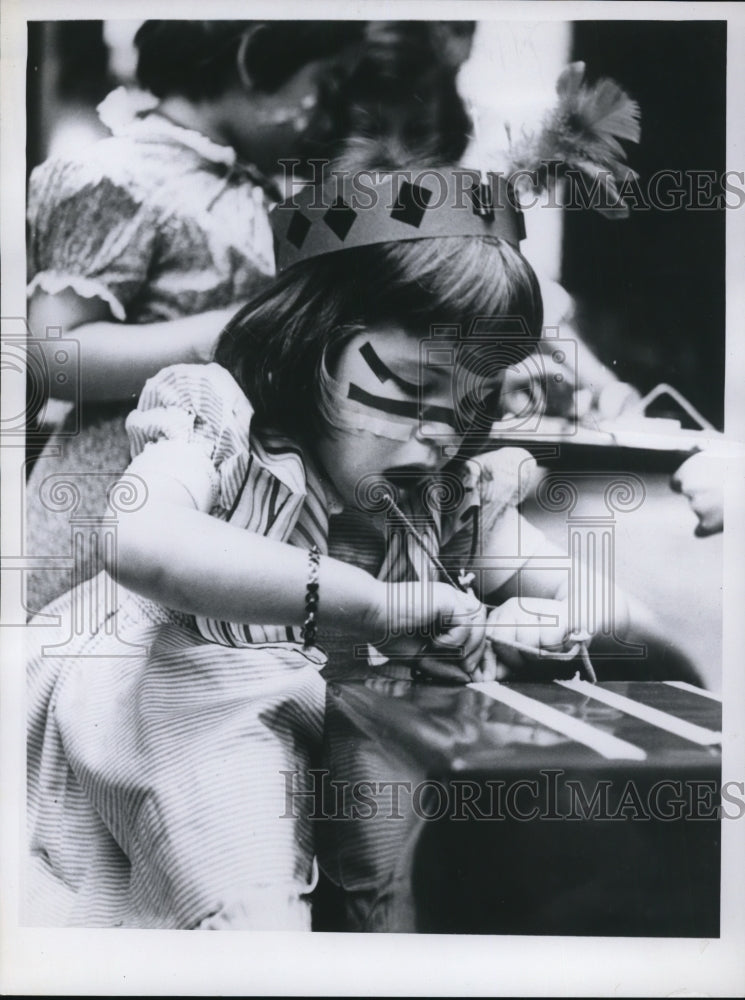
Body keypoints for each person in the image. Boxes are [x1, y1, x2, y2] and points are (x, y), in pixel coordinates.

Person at [26, 162, 648, 930]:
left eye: (469, 402)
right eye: (414, 387)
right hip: (178, 717)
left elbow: (607, 608)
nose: (439, 431)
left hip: (349, 752)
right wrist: (375, 602)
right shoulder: (218, 429)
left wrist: (547, 623)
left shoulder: (443, 494)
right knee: (246, 898)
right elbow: (141, 537)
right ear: (312, 341)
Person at [24, 19, 476, 616]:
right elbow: (55, 357)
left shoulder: (261, 193)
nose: (329, 112)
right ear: (254, 62)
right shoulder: (121, 175)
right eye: (323, 82)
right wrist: (234, 329)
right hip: (114, 496)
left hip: (219, 497)